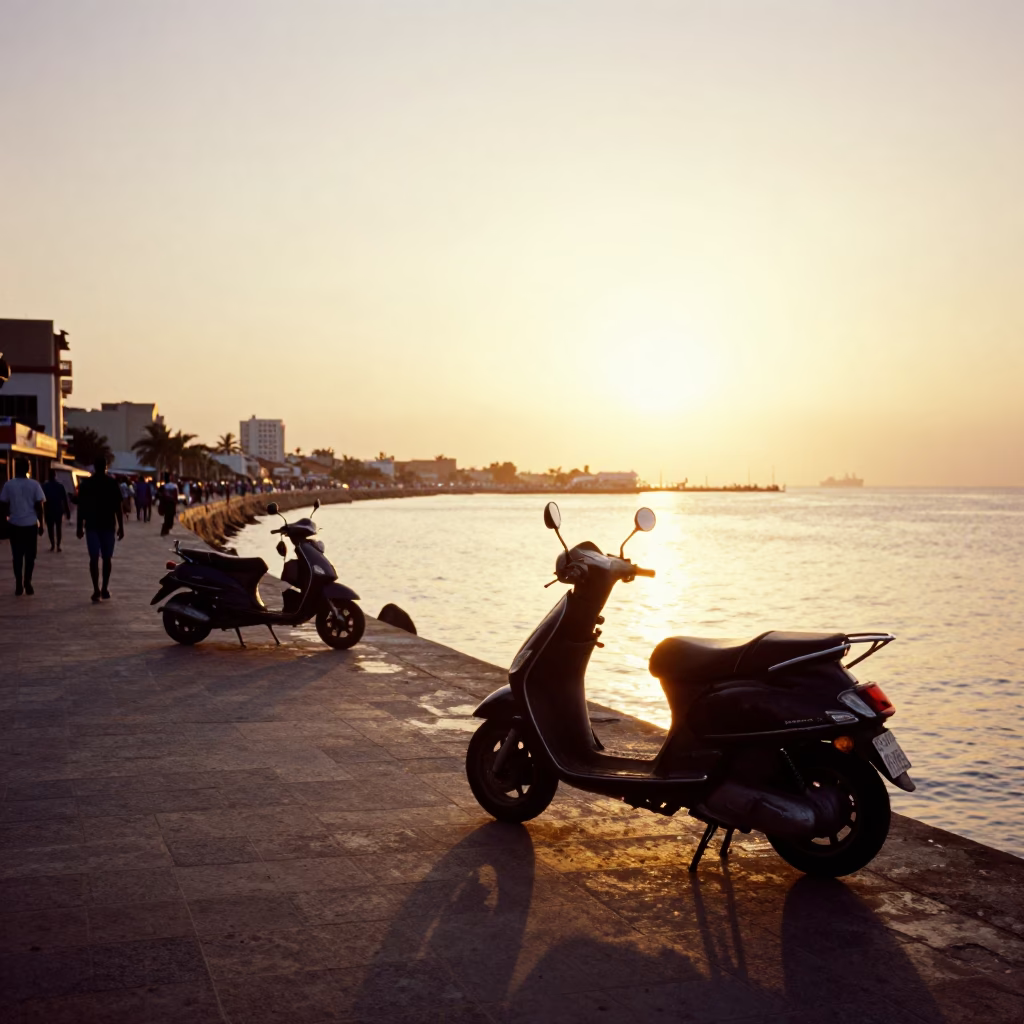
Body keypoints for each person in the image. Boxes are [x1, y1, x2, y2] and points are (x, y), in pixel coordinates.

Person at [76, 456, 124, 602]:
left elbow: (81, 507)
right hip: (108, 525)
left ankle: (96, 589)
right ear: (105, 467)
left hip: (92, 525)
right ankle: (104, 588)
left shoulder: (86, 484)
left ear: (94, 467)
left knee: (94, 558)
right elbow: (118, 507)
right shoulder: (112, 483)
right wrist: (121, 526)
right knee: (107, 558)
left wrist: (79, 526)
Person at [0, 458, 45, 595]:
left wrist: (4, 521)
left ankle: (19, 583)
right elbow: (39, 506)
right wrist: (41, 524)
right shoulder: (34, 485)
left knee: (17, 556)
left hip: (15, 524)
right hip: (30, 525)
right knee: (30, 556)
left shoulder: (9, 485)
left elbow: (3, 504)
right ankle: (28, 581)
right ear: (27, 469)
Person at [42, 469, 72, 552]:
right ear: (55, 475)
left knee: (50, 528)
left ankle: (52, 544)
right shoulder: (60, 486)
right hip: (58, 510)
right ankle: (58, 545)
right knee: (58, 528)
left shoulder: (45, 486)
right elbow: (64, 500)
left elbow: (41, 500)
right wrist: (67, 511)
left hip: (49, 510)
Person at [157, 472, 179, 536]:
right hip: (171, 504)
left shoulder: (164, 486)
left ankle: (165, 530)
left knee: (167, 517)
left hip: (166, 504)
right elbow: (175, 496)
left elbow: (161, 495)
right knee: (170, 517)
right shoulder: (174, 486)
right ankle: (165, 530)